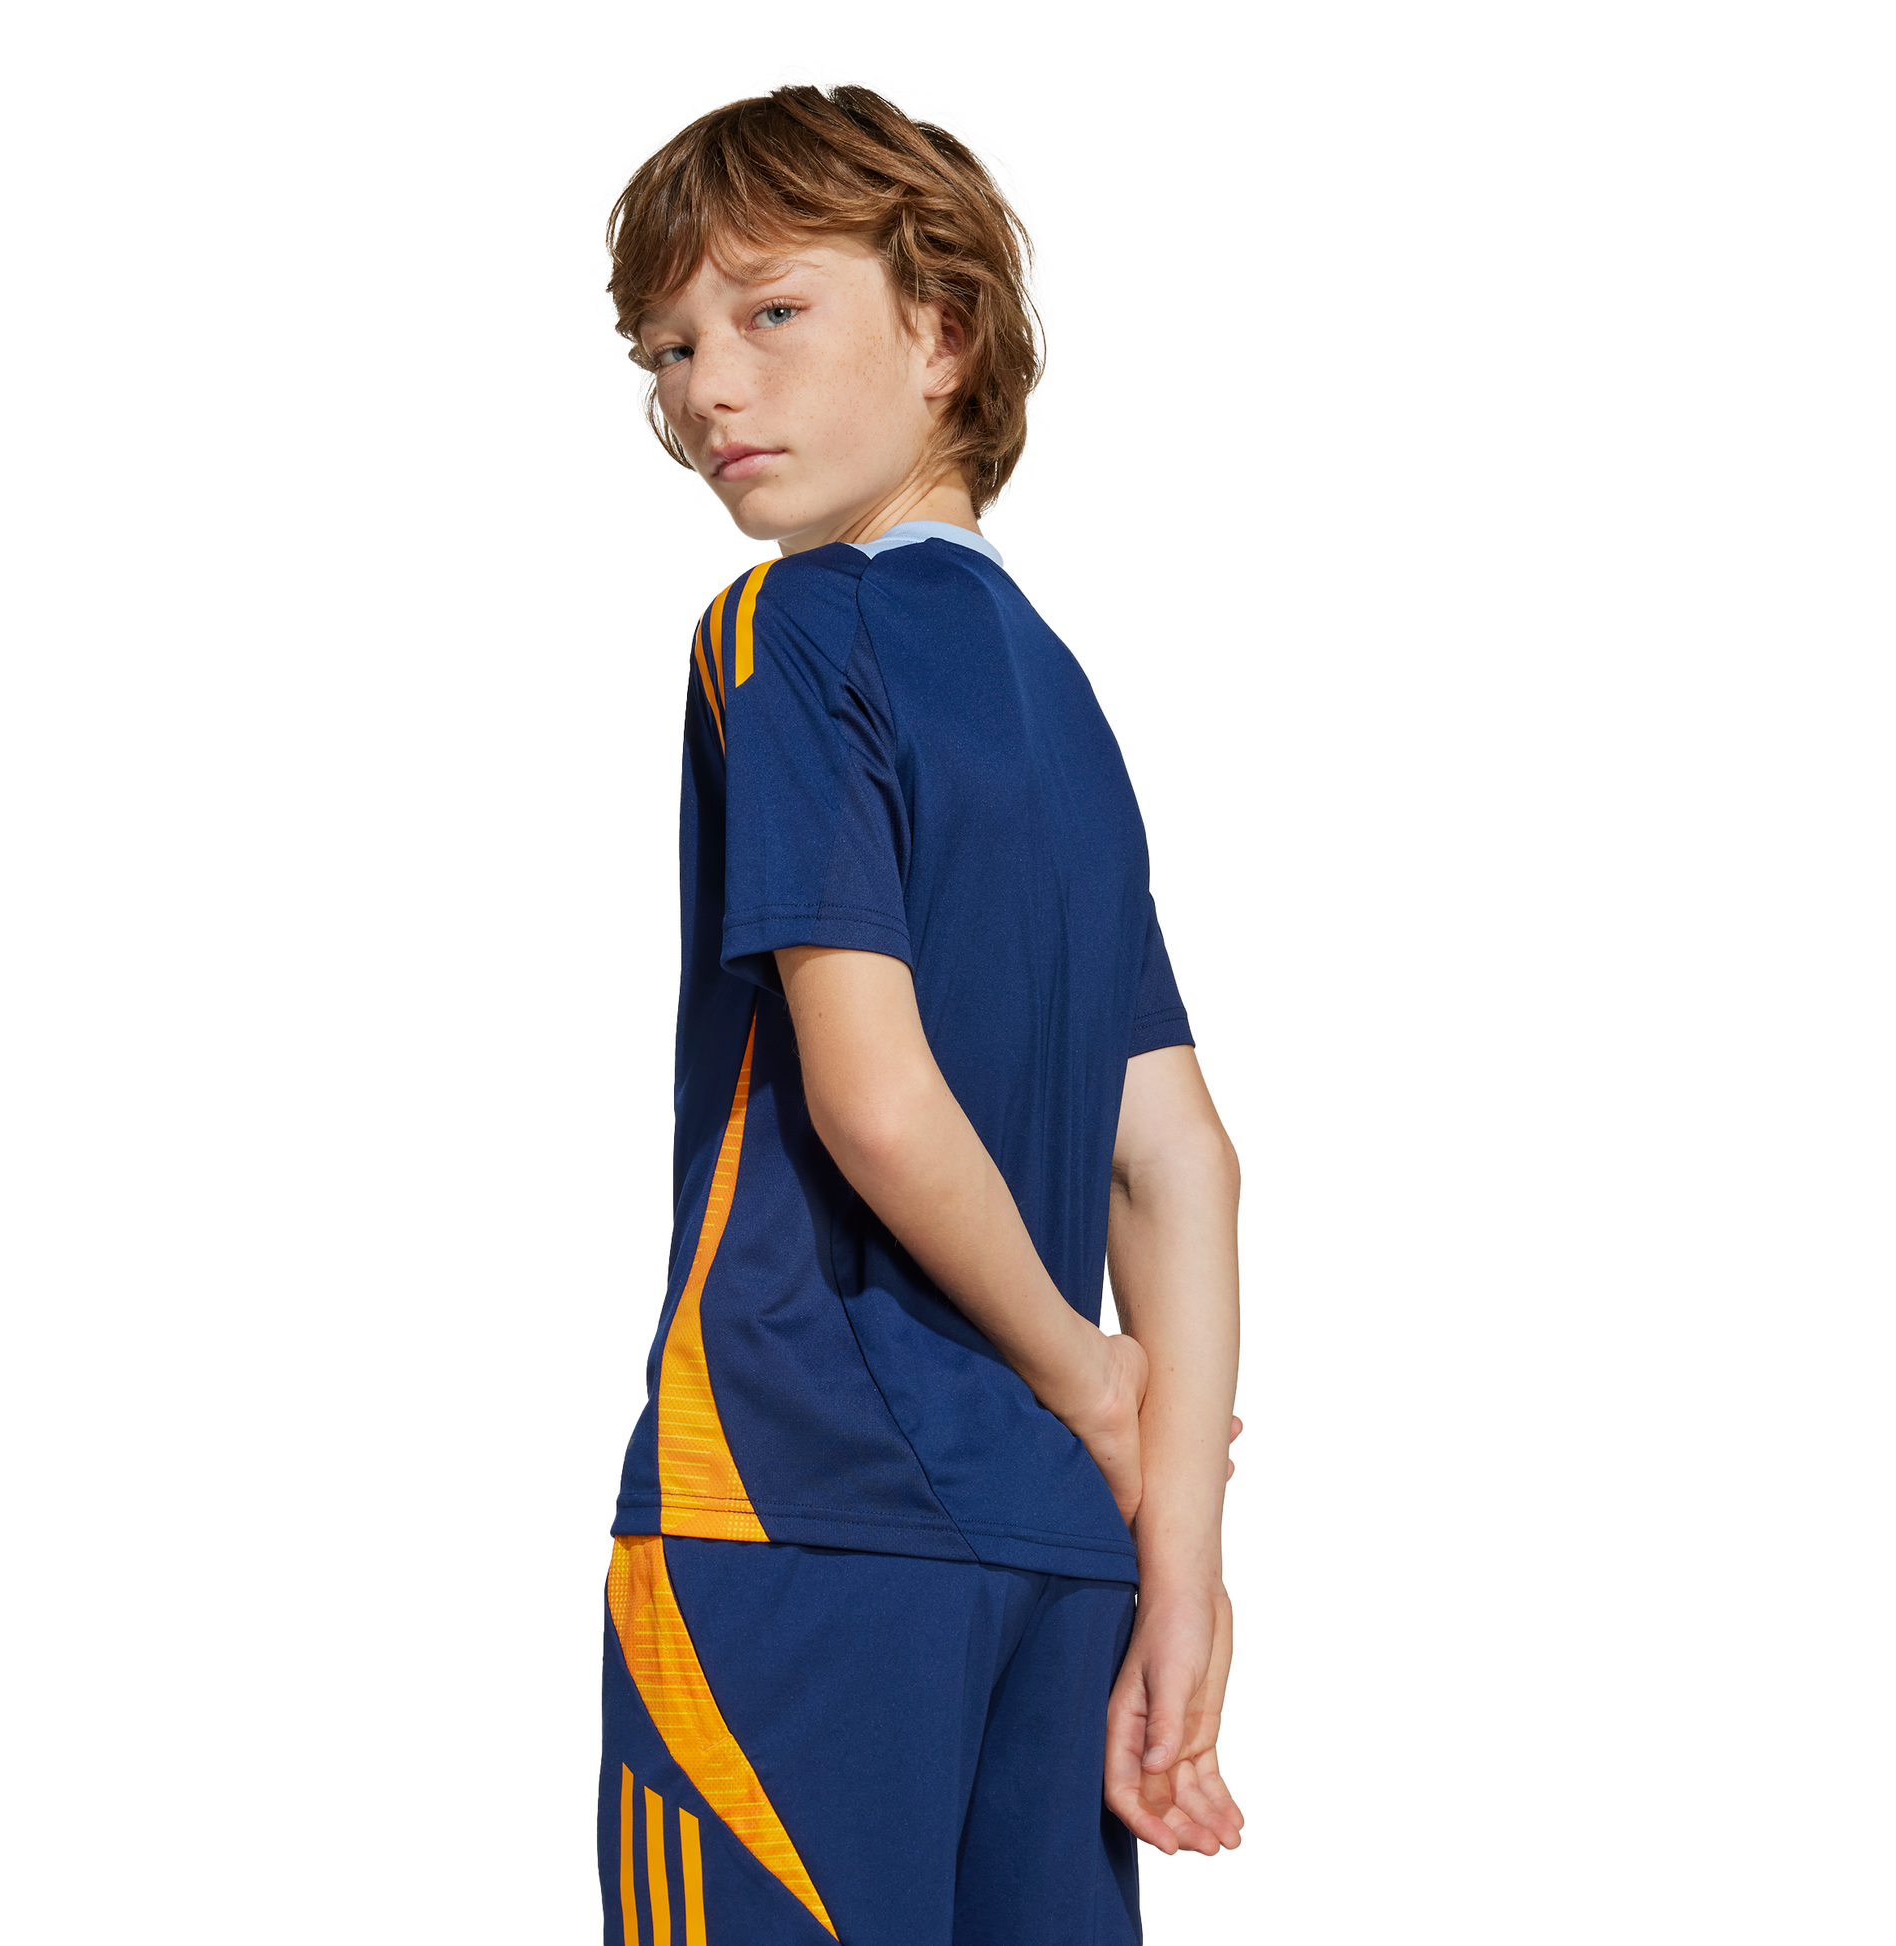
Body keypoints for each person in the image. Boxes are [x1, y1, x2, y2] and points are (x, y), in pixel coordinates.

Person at [599, 86, 1242, 1946]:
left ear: (944, 331)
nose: (710, 389)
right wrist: (1175, 1556)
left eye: (770, 312)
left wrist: (1087, 1373)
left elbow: (871, 1100)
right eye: (670, 349)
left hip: (799, 1496)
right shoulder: (1060, 701)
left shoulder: (792, 628)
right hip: (1056, 1548)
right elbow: (1177, 1157)